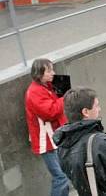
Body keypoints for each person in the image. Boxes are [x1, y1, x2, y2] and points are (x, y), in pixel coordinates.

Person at [25, 58, 70, 196]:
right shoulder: (34, 92)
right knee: (61, 177)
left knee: (63, 176)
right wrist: (64, 98)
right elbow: (49, 113)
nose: (53, 73)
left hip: (53, 138)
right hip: (47, 141)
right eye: (49, 70)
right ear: (39, 74)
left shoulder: (46, 86)